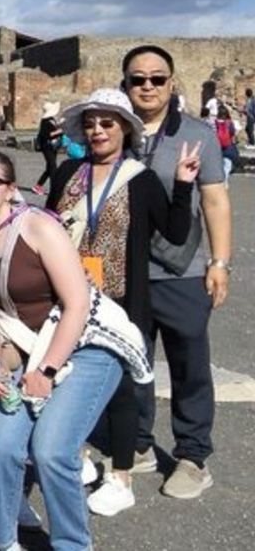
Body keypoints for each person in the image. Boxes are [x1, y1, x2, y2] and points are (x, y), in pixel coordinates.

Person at [0, 151, 125, 551]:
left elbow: (78, 304)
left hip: (84, 347)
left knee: (51, 452)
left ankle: (71, 545)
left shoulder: (38, 227)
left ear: (10, 189)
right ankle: (1, 539)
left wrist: (45, 371)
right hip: (27, 350)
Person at [45, 88, 198, 517]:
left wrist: (184, 186)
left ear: (125, 129)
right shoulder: (69, 172)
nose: (97, 131)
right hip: (67, 295)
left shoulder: (140, 178)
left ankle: (121, 477)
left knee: (121, 388)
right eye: (91, 123)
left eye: (107, 123)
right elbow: (49, 226)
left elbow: (175, 231)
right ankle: (76, 457)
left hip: (119, 299)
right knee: (62, 375)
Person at [122, 45, 231, 499]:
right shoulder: (112, 130)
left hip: (181, 270)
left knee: (189, 364)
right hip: (126, 272)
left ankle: (192, 454)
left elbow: (215, 200)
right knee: (132, 362)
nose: (147, 86)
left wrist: (220, 261)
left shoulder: (197, 134)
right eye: (137, 79)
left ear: (171, 84)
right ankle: (139, 444)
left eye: (157, 78)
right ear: (125, 83)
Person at [31, 101, 62, 196]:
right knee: (53, 167)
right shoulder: (45, 121)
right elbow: (47, 135)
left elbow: (55, 130)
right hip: (47, 146)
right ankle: (54, 189)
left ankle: (38, 186)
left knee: (49, 168)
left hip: (53, 146)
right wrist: (59, 131)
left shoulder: (52, 119)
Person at [215, 106, 239, 183]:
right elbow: (232, 132)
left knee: (218, 163)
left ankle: (218, 179)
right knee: (227, 163)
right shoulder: (229, 123)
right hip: (228, 145)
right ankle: (224, 180)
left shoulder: (215, 122)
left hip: (217, 145)